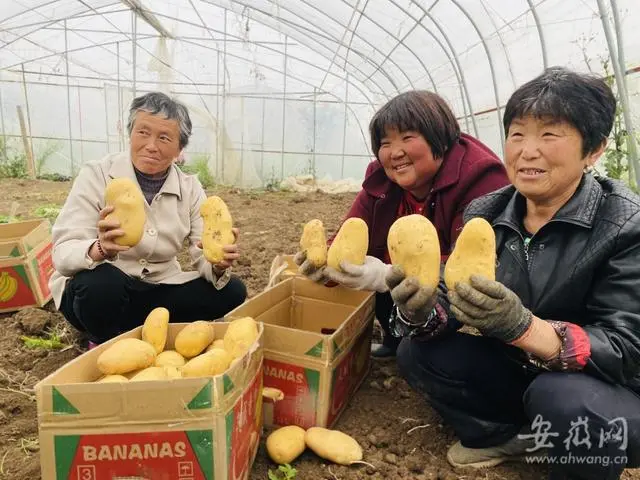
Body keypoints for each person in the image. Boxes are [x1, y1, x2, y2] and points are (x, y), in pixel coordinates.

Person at [386, 67, 640, 479]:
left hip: (609, 392)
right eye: (518, 134)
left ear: (593, 150)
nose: (527, 151)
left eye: (549, 135)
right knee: (418, 353)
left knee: (562, 400)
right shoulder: (487, 213)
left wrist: (524, 328)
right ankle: (508, 436)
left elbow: (627, 350)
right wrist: (420, 310)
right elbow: (454, 296)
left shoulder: (624, 225)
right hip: (526, 371)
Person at [295, 90, 509, 357]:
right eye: (385, 143)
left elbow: (467, 267)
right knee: (382, 265)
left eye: (408, 138)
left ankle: (429, 345)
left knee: (421, 312)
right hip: (403, 276)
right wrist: (323, 262)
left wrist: (386, 275)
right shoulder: (382, 180)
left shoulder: (479, 178)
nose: (395, 153)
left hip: (450, 287)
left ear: (440, 140)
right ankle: (393, 340)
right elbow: (351, 230)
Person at [50, 92, 247, 346]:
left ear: (179, 148)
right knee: (100, 285)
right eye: (143, 132)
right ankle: (103, 340)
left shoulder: (190, 188)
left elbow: (202, 252)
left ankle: (143, 328)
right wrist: (99, 248)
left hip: (158, 289)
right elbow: (63, 252)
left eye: (164, 137)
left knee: (232, 291)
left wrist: (218, 263)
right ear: (130, 133)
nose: (151, 145)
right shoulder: (96, 174)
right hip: (102, 291)